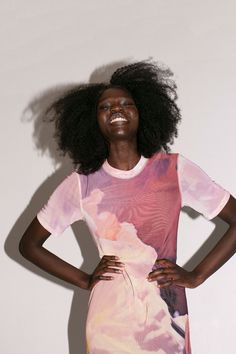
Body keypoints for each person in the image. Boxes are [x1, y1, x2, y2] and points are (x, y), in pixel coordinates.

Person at [19, 61, 236, 354]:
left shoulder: (174, 170)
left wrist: (196, 276)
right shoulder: (82, 184)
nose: (116, 109)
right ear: (91, 121)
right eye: (105, 107)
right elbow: (29, 245)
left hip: (166, 316)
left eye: (126, 103)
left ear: (142, 112)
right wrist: (84, 280)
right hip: (109, 323)